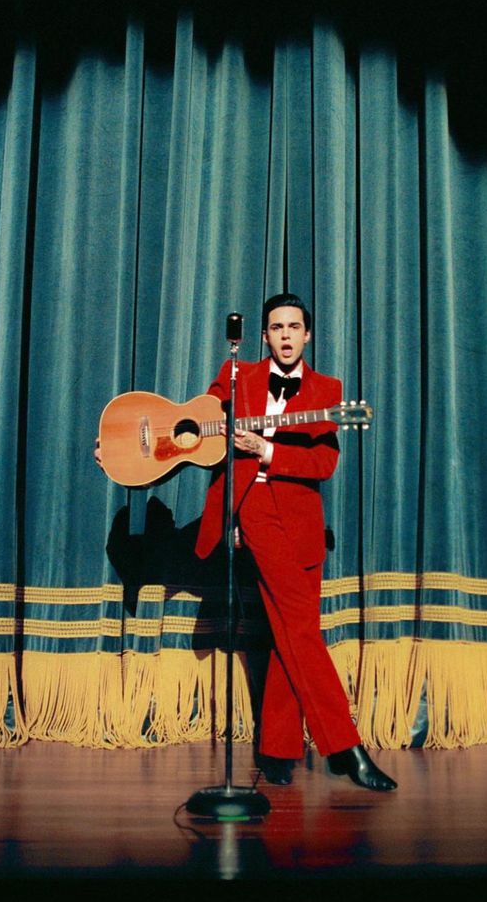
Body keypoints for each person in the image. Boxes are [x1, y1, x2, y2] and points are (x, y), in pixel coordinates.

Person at [194, 293, 396, 791]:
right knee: (302, 632)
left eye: (294, 327)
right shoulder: (239, 375)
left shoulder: (328, 389)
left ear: (308, 335)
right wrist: (137, 452)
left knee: (293, 631)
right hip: (255, 512)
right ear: (263, 336)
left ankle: (278, 747)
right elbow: (196, 428)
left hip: (304, 525)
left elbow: (323, 464)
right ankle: (347, 749)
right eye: (276, 327)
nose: (285, 335)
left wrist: (267, 449)